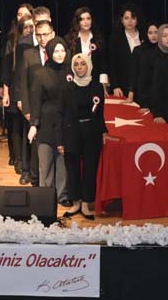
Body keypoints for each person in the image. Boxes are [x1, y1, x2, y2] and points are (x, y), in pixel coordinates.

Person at [62, 53, 109, 220]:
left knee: (90, 168)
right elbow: (62, 114)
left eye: (83, 64)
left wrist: (103, 131)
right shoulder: (67, 87)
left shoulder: (97, 87)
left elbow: (100, 113)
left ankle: (86, 204)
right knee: (72, 168)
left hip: (92, 132)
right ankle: (75, 202)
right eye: (76, 64)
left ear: (89, 65)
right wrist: (61, 139)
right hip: (72, 132)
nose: (79, 67)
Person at [27, 37, 71, 206]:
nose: (60, 54)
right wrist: (33, 125)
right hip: (46, 123)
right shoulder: (41, 74)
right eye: (56, 51)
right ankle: (45, 197)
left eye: (62, 50)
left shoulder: (70, 72)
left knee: (63, 162)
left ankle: (62, 195)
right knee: (46, 164)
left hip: (65, 123)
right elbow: (35, 101)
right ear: (50, 53)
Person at [18, 19, 57, 186]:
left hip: (54, 109)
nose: (42, 38)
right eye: (39, 35)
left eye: (45, 34)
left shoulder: (60, 51)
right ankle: (35, 180)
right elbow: (23, 83)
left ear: (53, 34)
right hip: (35, 108)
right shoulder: (29, 54)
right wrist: (27, 109)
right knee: (35, 146)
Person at [0, 14, 34, 174]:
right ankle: (19, 160)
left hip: (29, 90)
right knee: (15, 127)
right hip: (15, 88)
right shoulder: (15, 44)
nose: (29, 30)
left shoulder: (34, 45)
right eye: (26, 27)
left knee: (26, 126)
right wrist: (6, 93)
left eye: (32, 26)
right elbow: (7, 71)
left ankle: (26, 160)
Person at [64, 6, 109, 94]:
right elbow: (67, 64)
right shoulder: (69, 39)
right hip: (75, 84)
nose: (86, 22)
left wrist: (103, 84)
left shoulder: (98, 38)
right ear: (77, 22)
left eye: (88, 18)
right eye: (82, 19)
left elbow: (103, 63)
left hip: (95, 82)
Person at [108, 3, 145, 98]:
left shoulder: (144, 35)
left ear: (137, 19)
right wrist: (115, 86)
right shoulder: (115, 37)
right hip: (122, 85)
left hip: (142, 84)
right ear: (121, 20)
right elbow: (112, 63)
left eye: (133, 18)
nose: (130, 21)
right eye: (126, 18)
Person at [137, 23, 168, 111]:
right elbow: (143, 81)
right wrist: (144, 104)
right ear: (159, 37)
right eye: (164, 35)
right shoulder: (148, 54)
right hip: (153, 104)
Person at [124, 22, 158, 105]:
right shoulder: (138, 50)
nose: (153, 35)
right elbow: (133, 74)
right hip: (142, 93)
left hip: (159, 93)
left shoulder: (163, 50)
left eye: (156, 32)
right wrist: (130, 96)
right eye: (150, 33)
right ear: (146, 34)